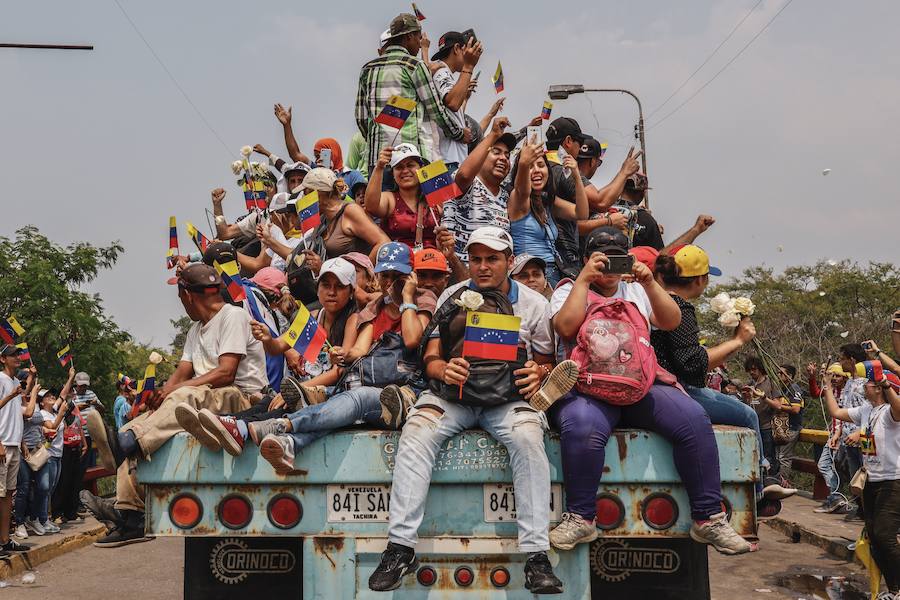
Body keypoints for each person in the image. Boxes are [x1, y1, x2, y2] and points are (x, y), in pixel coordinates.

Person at [371, 226, 567, 594]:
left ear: (509, 261)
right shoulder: (452, 295)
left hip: (507, 402)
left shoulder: (535, 304)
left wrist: (536, 372)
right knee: (416, 431)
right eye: (475, 259)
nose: (482, 267)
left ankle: (537, 557)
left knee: (528, 439)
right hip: (453, 398)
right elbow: (430, 357)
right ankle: (400, 548)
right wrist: (443, 368)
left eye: (492, 258)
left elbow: (545, 361)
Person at [547, 227, 752, 556]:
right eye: (602, 258)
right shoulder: (569, 290)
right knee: (582, 428)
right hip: (588, 389)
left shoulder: (636, 290)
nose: (610, 267)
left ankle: (709, 518)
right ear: (587, 259)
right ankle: (581, 517)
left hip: (641, 386)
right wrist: (583, 280)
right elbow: (566, 327)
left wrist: (649, 282)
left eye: (619, 258)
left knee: (693, 419)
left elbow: (670, 321)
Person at [91, 263, 267, 547]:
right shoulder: (195, 330)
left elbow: (226, 373)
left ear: (187, 295)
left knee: (181, 398)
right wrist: (158, 396)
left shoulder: (233, 316)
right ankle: (130, 513)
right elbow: (180, 375)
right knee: (137, 423)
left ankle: (125, 445)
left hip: (241, 396)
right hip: (204, 396)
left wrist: (173, 390)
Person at [229, 242, 437, 473]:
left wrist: (407, 298)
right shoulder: (319, 316)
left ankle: (275, 426)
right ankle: (274, 438)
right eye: (385, 275)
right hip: (356, 383)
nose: (331, 292)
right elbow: (357, 352)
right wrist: (343, 354)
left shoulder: (415, 301)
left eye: (397, 276)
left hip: (393, 389)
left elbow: (411, 340)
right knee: (314, 403)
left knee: (343, 399)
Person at [651, 245, 794, 510]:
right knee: (748, 415)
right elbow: (692, 365)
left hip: (662, 384)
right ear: (700, 279)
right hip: (681, 388)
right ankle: (759, 488)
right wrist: (738, 341)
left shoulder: (656, 300)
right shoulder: (679, 306)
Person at [179, 257, 362, 456]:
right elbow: (277, 347)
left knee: (283, 406)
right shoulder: (311, 318)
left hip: (329, 393)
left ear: (351, 291)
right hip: (303, 391)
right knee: (269, 402)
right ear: (317, 288)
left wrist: (298, 390)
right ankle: (228, 424)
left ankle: (238, 427)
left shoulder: (352, 319)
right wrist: (266, 337)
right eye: (326, 285)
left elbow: (338, 371)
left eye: (340, 287)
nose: (332, 292)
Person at [822, 362, 900, 596]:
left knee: (885, 535)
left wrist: (886, 382)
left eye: (868, 383)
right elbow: (836, 413)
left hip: (892, 481)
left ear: (879, 388)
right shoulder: (866, 410)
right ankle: (894, 589)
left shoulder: (890, 412)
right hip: (871, 482)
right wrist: (826, 386)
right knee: (874, 537)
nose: (864, 386)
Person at [355, 13, 465, 174]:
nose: (421, 45)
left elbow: (361, 118)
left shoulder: (368, 69)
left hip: (379, 160)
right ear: (409, 36)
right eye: (419, 38)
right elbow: (436, 111)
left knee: (383, 200)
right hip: (413, 159)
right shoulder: (414, 66)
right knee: (427, 200)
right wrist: (459, 134)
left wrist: (377, 139)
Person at [508, 142, 589, 286]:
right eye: (530, 166)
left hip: (552, 272)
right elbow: (523, 190)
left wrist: (576, 175)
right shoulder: (518, 199)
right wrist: (523, 163)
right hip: (528, 274)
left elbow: (581, 213)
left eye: (540, 165)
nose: (536, 170)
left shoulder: (547, 202)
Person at [441, 117, 516, 263]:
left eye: (507, 155)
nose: (503, 158)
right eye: (496, 152)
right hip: (461, 274)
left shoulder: (507, 196)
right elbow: (464, 175)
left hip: (496, 279)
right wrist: (493, 134)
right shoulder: (469, 184)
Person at [365, 144, 438, 250]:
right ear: (393, 174)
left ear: (421, 168)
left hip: (433, 261)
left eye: (410, 165)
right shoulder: (389, 198)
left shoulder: (435, 195)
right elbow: (371, 206)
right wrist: (379, 167)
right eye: (399, 167)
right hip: (397, 263)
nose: (405, 171)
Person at [429, 31, 483, 172]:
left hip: (447, 160)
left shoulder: (442, 72)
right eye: (467, 50)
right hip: (446, 162)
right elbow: (453, 102)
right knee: (450, 195)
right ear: (457, 48)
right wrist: (469, 67)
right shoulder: (441, 71)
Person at [809, 362, 854, 513]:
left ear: (845, 377)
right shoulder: (832, 391)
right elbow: (815, 393)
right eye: (832, 375)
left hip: (843, 435)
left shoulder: (849, 392)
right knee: (825, 466)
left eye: (838, 376)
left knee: (840, 468)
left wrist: (837, 434)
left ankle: (837, 498)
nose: (834, 378)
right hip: (835, 434)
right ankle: (836, 497)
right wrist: (813, 377)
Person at [0, 345, 32, 553]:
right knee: (0, 494)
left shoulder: (13, 382)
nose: (17, 358)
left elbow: (18, 414)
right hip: (3, 444)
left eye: (18, 354)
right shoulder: (1, 380)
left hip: (14, 444)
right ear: (3, 359)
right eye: (13, 355)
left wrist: (21, 443)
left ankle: (5, 540)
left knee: (8, 494)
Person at [775, 364, 805, 484]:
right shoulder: (779, 388)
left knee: (784, 457)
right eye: (778, 373)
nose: (779, 375)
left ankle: (783, 482)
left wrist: (778, 406)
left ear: (790, 376)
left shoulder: (794, 389)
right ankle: (777, 481)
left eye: (782, 373)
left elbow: (796, 409)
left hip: (791, 427)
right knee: (777, 456)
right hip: (780, 426)